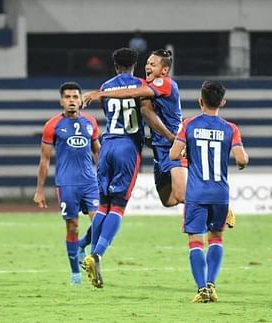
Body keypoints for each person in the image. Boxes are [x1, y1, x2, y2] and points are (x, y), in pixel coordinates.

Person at [169, 81, 248, 303]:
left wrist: (186, 150)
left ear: (200, 101)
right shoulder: (230, 128)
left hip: (196, 194)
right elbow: (242, 159)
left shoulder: (189, 125)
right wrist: (242, 162)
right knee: (217, 237)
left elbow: (173, 155)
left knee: (196, 240)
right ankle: (212, 283)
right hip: (220, 194)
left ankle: (202, 288)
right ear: (222, 102)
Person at [83, 49, 184, 207]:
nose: (148, 67)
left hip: (174, 145)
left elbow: (133, 92)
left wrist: (101, 94)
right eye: (147, 63)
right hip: (160, 147)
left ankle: (219, 207)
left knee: (181, 194)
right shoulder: (150, 85)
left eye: (153, 64)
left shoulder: (163, 82)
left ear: (164, 70)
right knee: (168, 201)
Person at [82, 47, 147, 288]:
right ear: (135, 64)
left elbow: (109, 113)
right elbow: (146, 112)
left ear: (115, 65)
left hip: (107, 144)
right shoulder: (141, 85)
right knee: (118, 207)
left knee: (103, 205)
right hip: (128, 147)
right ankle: (97, 254)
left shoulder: (105, 87)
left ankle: (90, 254)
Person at [33, 82, 100, 285]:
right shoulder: (52, 125)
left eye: (75, 97)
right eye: (68, 97)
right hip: (67, 183)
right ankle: (75, 274)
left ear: (81, 100)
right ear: (61, 101)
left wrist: (104, 176)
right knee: (73, 227)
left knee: (100, 223)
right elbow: (44, 160)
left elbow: (98, 151)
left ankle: (82, 246)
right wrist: (39, 191)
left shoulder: (91, 122)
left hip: (90, 182)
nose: (72, 100)